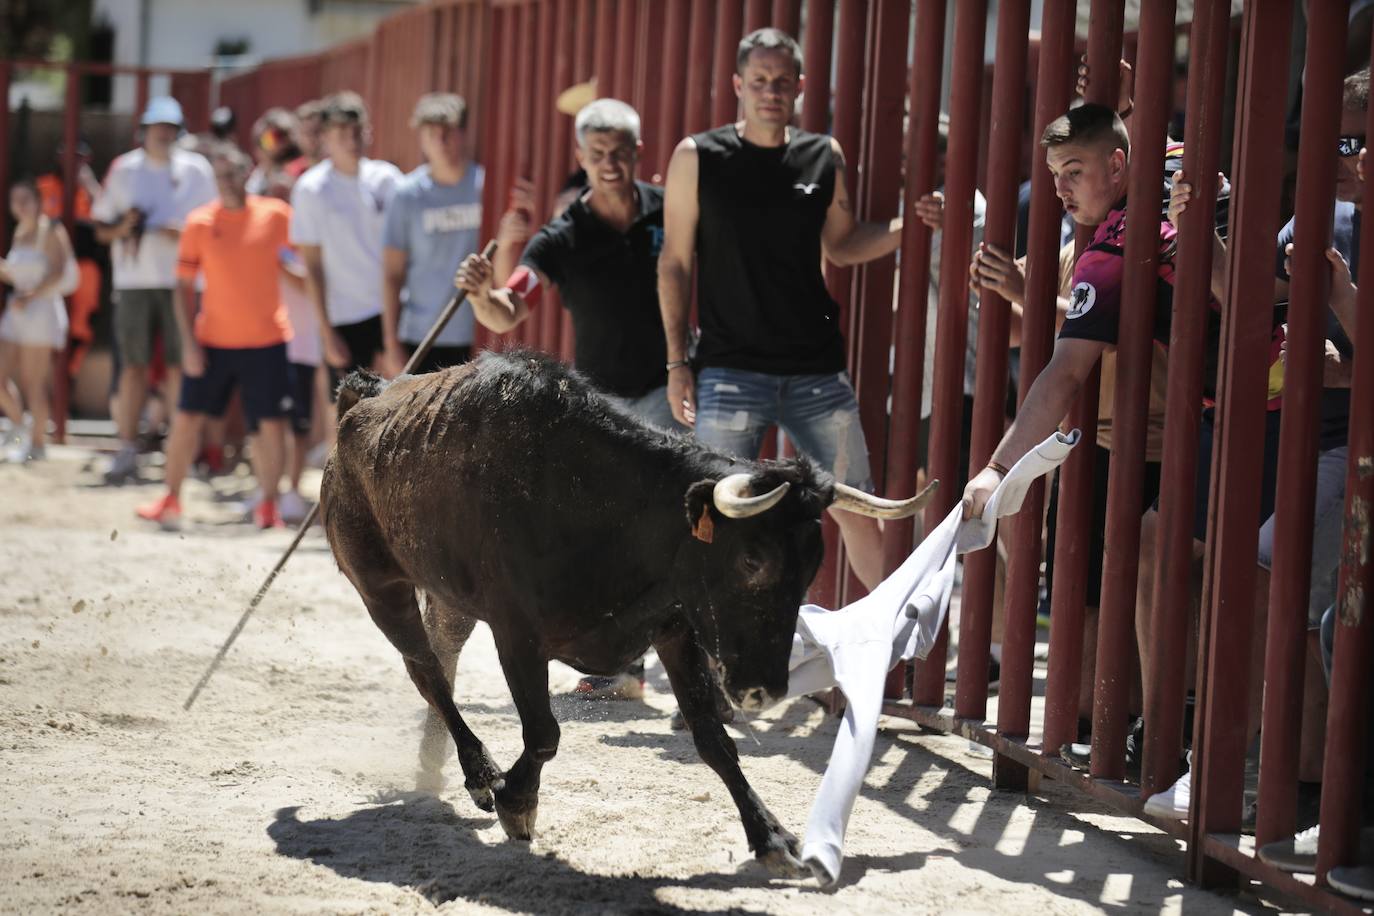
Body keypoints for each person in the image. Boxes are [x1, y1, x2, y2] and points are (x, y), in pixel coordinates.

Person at [658, 28, 903, 590]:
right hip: (729, 367)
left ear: (799, 86)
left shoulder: (823, 155)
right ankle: (711, 659)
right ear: (739, 85)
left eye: (782, 81)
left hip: (815, 370)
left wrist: (906, 227)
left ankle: (898, 654)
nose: (771, 90)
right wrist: (677, 363)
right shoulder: (698, 157)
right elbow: (674, 262)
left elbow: (841, 244)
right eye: (760, 80)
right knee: (715, 516)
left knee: (859, 509)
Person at [454, 97, 683, 699]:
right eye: (597, 153)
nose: (609, 164)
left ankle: (686, 664)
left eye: (620, 152)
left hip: (670, 387)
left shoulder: (671, 212)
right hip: (604, 404)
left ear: (638, 154)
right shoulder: (562, 236)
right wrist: (482, 294)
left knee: (673, 525)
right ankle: (624, 668)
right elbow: (510, 306)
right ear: (580, 158)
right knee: (614, 531)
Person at [135, 146, 295, 530]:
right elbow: (183, 287)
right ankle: (170, 498)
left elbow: (299, 263)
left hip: (266, 339)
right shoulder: (199, 223)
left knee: (269, 424)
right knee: (186, 419)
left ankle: (268, 506)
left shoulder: (276, 216)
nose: (227, 181)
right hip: (212, 342)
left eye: (234, 172)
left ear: (247, 173)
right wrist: (188, 343)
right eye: (220, 175)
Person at [91, 96, 217, 483]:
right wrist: (125, 228)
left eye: (169, 128)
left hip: (183, 281)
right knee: (133, 368)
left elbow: (214, 226)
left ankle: (178, 452)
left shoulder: (196, 170)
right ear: (144, 130)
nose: (163, 134)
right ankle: (127, 448)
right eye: (157, 127)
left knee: (183, 367)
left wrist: (180, 232)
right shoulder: (124, 170)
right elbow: (100, 229)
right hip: (134, 281)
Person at [289, 92, 402, 381]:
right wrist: (326, 332)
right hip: (345, 318)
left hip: (395, 311)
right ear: (325, 137)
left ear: (368, 131)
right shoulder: (311, 189)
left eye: (356, 131)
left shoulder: (388, 179)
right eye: (341, 133)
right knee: (350, 416)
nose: (351, 141)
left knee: (405, 409)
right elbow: (312, 266)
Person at [382, 93, 483, 376]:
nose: (441, 142)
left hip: (478, 334)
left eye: (448, 132)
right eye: (431, 134)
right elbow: (392, 273)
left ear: (463, 134)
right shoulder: (407, 195)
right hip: (422, 336)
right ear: (421, 138)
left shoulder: (484, 187)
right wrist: (390, 343)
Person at [0, 179, 77, 462]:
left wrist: (30, 296)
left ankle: (36, 445)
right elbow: (17, 274)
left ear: (37, 200)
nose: (19, 206)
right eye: (14, 200)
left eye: (25, 199)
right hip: (17, 310)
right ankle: (20, 426)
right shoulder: (19, 233)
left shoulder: (52, 229)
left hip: (41, 312)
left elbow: (58, 272)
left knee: (34, 382)